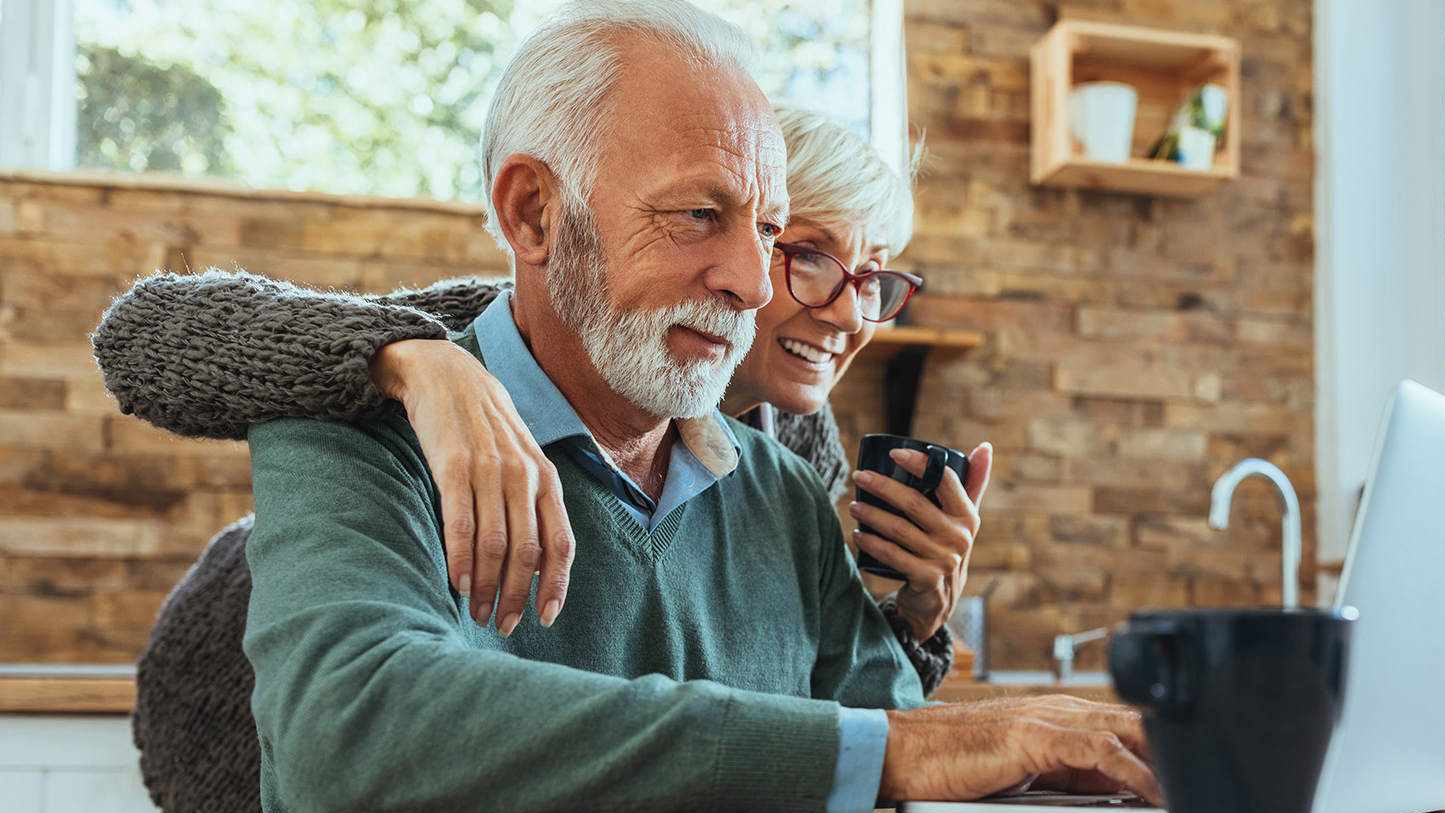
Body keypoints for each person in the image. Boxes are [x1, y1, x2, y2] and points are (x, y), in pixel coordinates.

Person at [105, 0, 1159, 813]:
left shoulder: (790, 478)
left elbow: (896, 730)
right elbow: (348, 730)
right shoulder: (356, 404)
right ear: (531, 210)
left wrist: (981, 692)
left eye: (771, 228)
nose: (755, 281)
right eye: (700, 214)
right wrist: (887, 747)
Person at [100, 104, 969, 696]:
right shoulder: (517, 324)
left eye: (871, 276)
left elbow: (814, 693)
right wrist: (410, 360)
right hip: (235, 683)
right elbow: (142, 331)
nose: (851, 312)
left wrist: (918, 616)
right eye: (807, 255)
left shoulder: (795, 451)